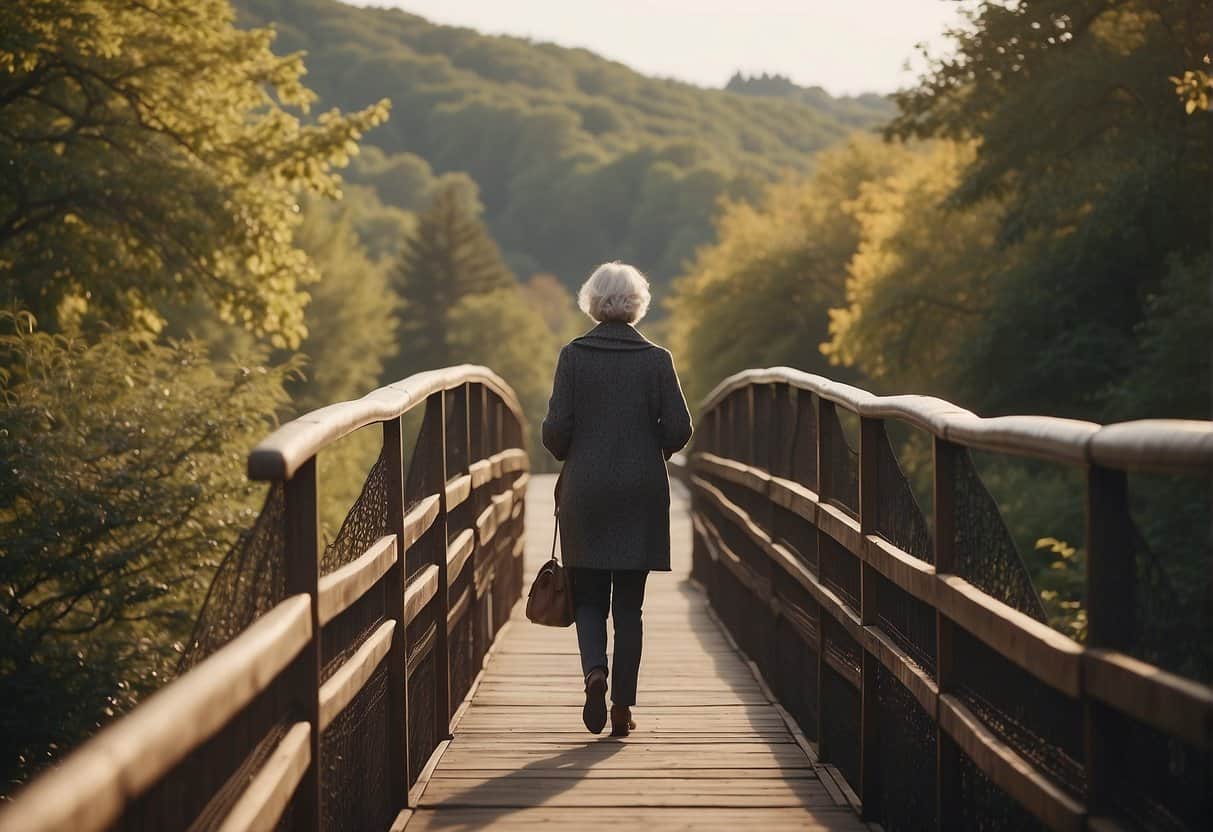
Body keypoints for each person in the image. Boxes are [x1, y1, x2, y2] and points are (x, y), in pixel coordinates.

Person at [541, 261, 693, 737]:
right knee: (630, 607)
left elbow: (556, 433)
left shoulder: (573, 356)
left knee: (588, 598)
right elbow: (682, 428)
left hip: (585, 493)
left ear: (591, 302)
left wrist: (572, 450)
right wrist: (653, 452)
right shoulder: (657, 359)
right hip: (640, 493)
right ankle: (623, 709)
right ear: (637, 305)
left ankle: (594, 672)